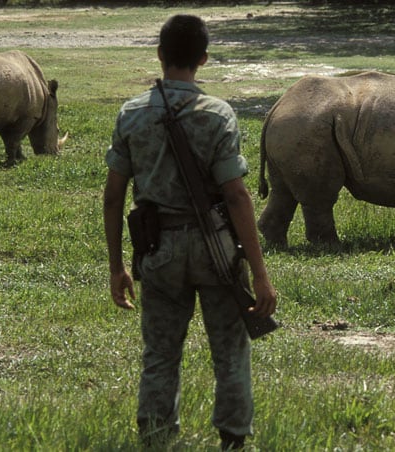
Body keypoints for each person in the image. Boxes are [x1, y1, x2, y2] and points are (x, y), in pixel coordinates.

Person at [103, 14, 278, 450]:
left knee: (160, 353)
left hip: (157, 248)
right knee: (230, 351)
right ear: (203, 58)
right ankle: (234, 438)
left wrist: (116, 266)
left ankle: (157, 436)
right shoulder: (218, 115)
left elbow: (113, 196)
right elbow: (237, 197)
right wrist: (259, 272)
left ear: (160, 55)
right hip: (216, 251)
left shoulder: (131, 114)